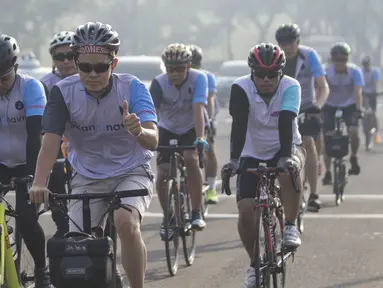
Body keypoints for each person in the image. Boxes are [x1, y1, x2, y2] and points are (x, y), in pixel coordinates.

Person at [28, 21, 158, 288]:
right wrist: (39, 182)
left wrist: (138, 132)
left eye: (101, 67)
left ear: (114, 63)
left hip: (131, 170)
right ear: (75, 63)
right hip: (87, 174)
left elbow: (154, 140)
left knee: (125, 222)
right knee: (77, 246)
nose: (92, 74)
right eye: (85, 67)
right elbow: (51, 141)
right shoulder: (62, 92)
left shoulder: (133, 88)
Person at [221, 43, 306, 287]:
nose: (267, 80)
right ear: (252, 73)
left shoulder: (291, 86)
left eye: (272, 75)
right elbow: (238, 126)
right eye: (261, 75)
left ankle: (290, 225)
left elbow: (287, 120)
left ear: (281, 73)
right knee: (246, 211)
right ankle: (255, 265)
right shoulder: (241, 87)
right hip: (251, 151)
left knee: (288, 170)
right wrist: (235, 160)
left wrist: (287, 157)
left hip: (287, 146)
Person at [0, 34, 50, 287]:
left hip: (28, 160)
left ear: (16, 67)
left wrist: (32, 176)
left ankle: (42, 270)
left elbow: (35, 136)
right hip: (1, 162)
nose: (0, 84)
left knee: (27, 218)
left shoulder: (31, 87)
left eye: (4, 78)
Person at [150, 43, 209, 241]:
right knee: (163, 171)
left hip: (191, 125)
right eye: (171, 69)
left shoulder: (199, 78)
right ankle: (168, 216)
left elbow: (198, 109)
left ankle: (195, 212)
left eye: (180, 69)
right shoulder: (158, 83)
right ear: (165, 68)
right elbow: (153, 115)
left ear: (189, 66)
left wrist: (200, 138)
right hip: (166, 127)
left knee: (191, 159)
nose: (175, 74)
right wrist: (152, 137)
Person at [275, 23, 329, 212]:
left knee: (308, 141)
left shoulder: (309, 56)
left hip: (306, 106)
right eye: (282, 43)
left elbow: (323, 86)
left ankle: (314, 194)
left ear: (297, 42)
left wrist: (318, 106)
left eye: (290, 43)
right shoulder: (275, 57)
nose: (286, 47)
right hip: (282, 108)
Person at [40, 31, 77, 238]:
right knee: (54, 176)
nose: (65, 61)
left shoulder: (91, 77)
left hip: (85, 142)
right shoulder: (44, 84)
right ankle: (62, 224)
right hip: (57, 143)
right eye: (59, 57)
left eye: (70, 56)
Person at [322, 42, 364, 185]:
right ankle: (327, 172)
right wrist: (318, 106)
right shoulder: (326, 72)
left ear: (347, 59)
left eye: (343, 60)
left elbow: (358, 91)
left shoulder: (355, 71)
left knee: (353, 131)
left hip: (349, 104)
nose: (340, 63)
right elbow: (320, 89)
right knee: (327, 137)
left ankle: (353, 156)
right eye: (337, 60)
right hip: (329, 104)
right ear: (332, 60)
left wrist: (359, 109)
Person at [189, 44, 219, 204]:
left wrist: (211, 121)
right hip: (185, 118)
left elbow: (210, 101)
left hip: (205, 115)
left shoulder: (207, 77)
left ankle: (212, 187)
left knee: (209, 150)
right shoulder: (179, 74)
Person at [361, 55, 382, 144]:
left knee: (373, 113)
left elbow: (375, 83)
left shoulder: (375, 71)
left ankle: (376, 133)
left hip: (372, 94)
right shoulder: (360, 71)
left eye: (367, 64)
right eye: (364, 64)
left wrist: (375, 92)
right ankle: (365, 130)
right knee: (361, 113)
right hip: (362, 93)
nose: (366, 66)